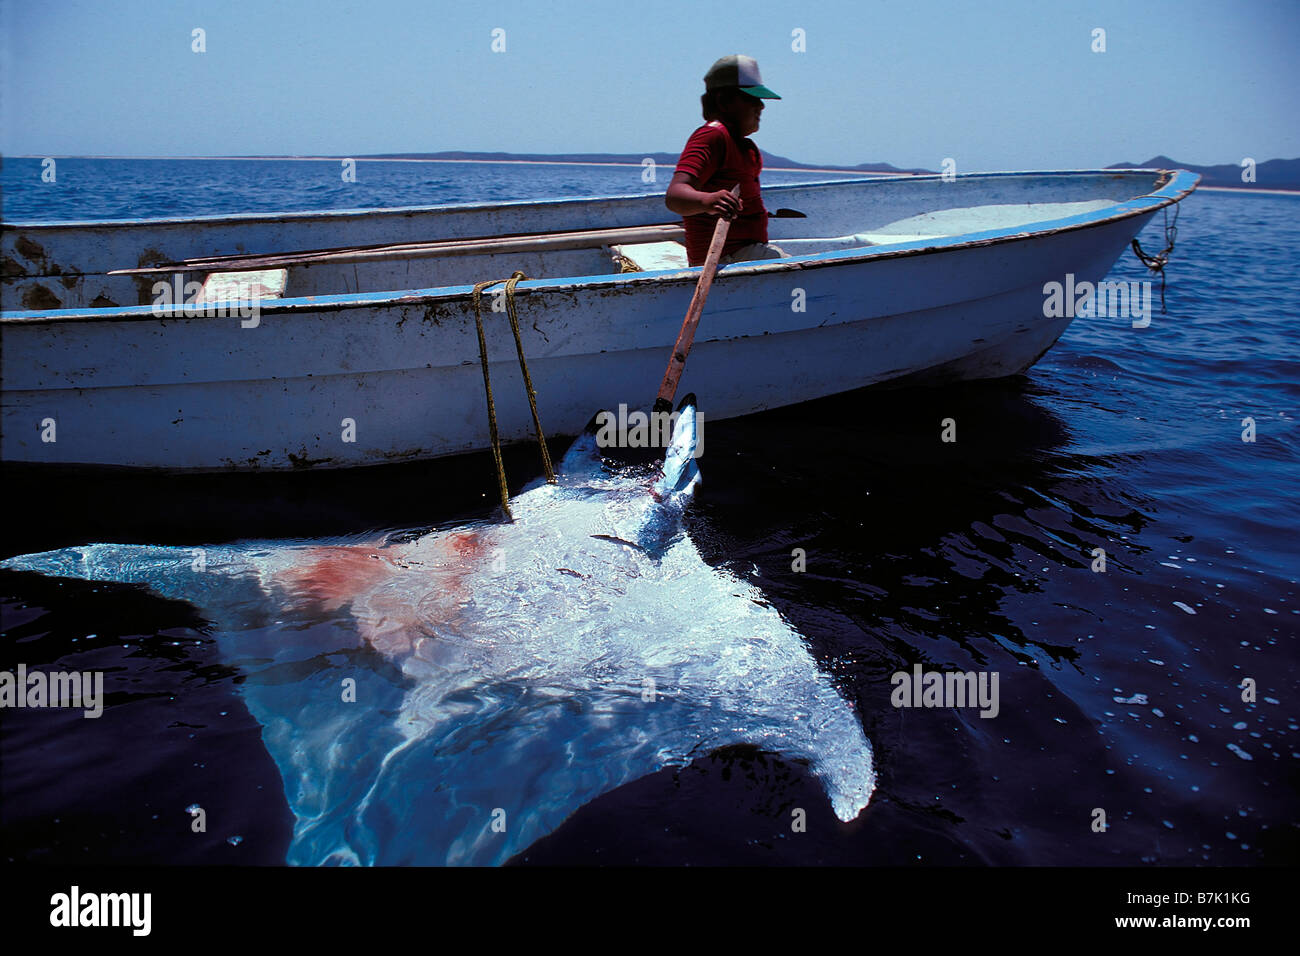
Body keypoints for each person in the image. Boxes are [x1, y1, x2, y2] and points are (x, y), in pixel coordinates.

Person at [665, 54, 787, 266]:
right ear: (723, 101)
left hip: (745, 254)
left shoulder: (746, 147)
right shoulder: (712, 136)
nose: (761, 106)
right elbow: (675, 196)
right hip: (721, 261)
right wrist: (707, 201)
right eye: (751, 98)